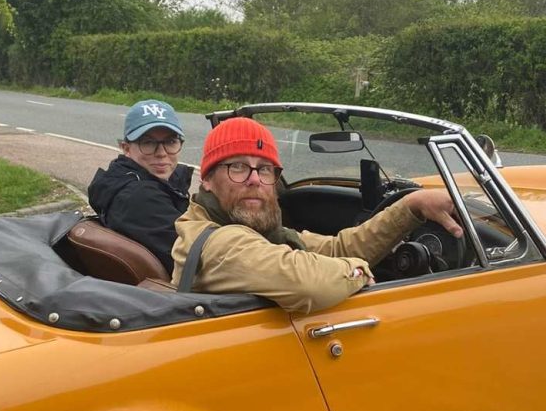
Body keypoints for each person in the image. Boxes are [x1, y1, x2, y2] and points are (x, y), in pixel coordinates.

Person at [170, 117, 463, 314]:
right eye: (237, 167)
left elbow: (337, 249)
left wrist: (410, 206)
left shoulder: (255, 231)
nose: (254, 179)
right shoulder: (218, 243)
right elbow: (309, 282)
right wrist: (358, 271)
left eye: (264, 169)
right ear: (206, 180)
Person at [88, 99, 193, 274]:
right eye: (148, 143)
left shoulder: (131, 180)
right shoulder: (138, 197)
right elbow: (199, 256)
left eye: (170, 142)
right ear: (126, 148)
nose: (161, 153)